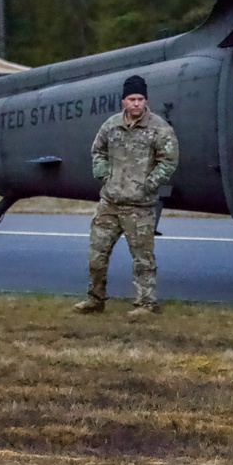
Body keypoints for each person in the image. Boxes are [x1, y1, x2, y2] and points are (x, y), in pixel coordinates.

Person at [74, 75, 179, 317]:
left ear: (146, 100)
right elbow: (97, 150)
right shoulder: (111, 126)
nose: (136, 104)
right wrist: (103, 174)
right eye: (132, 99)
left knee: (143, 259)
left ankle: (146, 304)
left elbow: (169, 160)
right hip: (110, 203)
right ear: (123, 101)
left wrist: (149, 184)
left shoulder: (158, 129)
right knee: (96, 255)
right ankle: (95, 299)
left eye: (140, 99)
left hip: (139, 206)